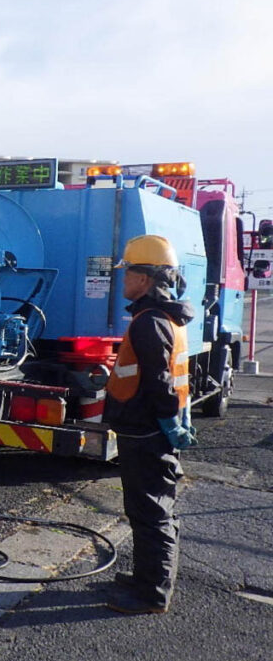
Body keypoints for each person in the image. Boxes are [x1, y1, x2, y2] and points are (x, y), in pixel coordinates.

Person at [103, 234, 196, 615]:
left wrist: (168, 424)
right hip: (149, 429)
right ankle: (145, 579)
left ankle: (152, 594)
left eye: (127, 273)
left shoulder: (149, 322)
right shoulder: (168, 318)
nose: (122, 280)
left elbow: (160, 383)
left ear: (144, 279)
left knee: (152, 510)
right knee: (146, 507)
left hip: (147, 431)